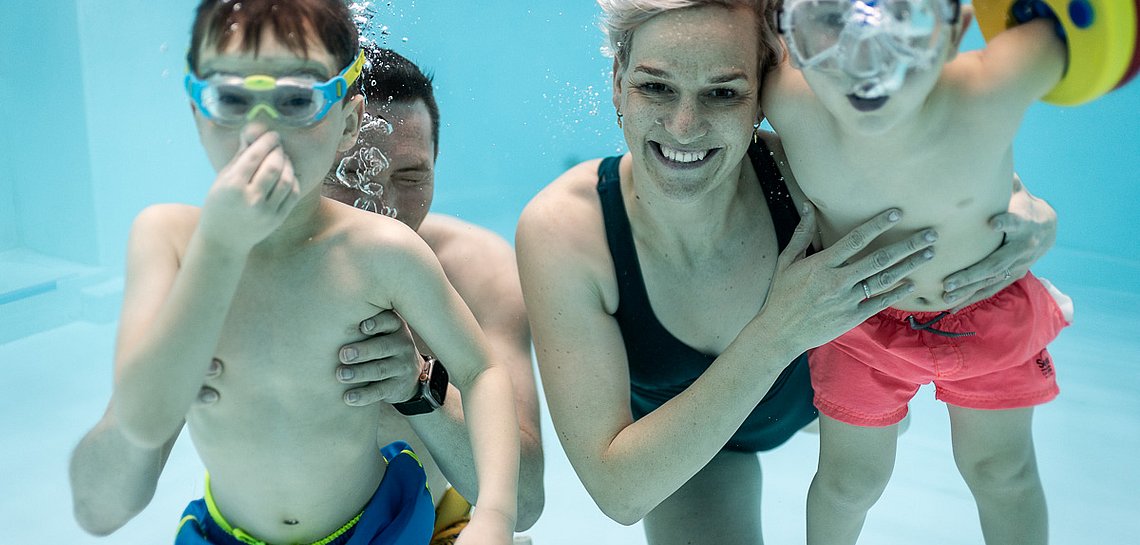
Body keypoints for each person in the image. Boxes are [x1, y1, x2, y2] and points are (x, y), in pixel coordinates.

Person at [514, 1, 1058, 544]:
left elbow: (938, 167)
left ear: (762, 97)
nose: (684, 127)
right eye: (655, 87)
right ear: (617, 81)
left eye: (724, 92)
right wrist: (781, 330)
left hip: (820, 409)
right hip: (687, 451)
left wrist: (1029, 215)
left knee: (876, 464)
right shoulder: (570, 231)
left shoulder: (803, 176)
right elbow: (619, 493)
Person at [68, 2, 518, 544]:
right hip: (226, 533)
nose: (260, 130)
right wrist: (220, 247)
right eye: (233, 98)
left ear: (348, 123)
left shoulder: (381, 250)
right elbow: (139, 423)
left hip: (380, 529)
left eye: (296, 100)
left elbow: (482, 371)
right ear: (197, 111)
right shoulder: (169, 241)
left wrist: (494, 514)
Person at [762, 1, 1076, 543]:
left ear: (955, 29)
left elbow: (1092, 23)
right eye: (832, 23)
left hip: (989, 311)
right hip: (858, 319)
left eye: (902, 24)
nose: (865, 61)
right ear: (790, 29)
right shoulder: (785, 96)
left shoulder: (991, 88)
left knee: (1002, 472)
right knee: (849, 483)